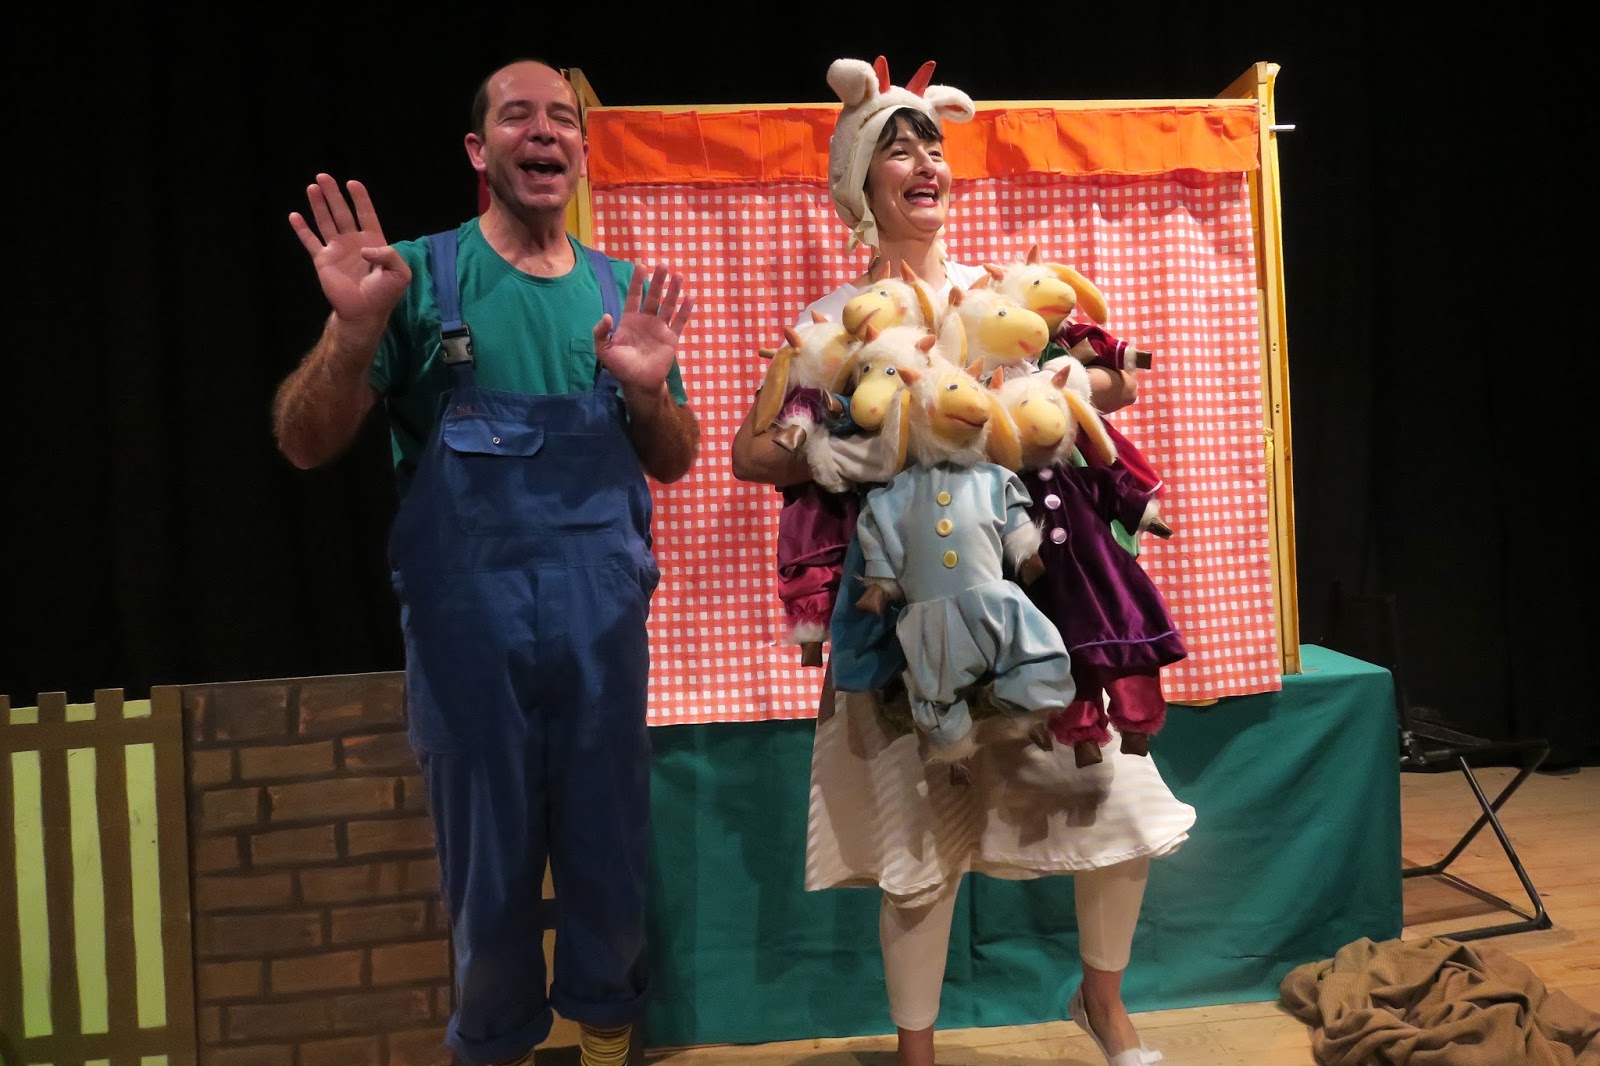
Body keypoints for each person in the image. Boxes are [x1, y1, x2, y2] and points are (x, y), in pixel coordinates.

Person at [730, 55, 1195, 1066]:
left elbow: (1110, 384)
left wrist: (1066, 383)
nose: (924, 163)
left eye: (932, 147)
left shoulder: (1000, 294)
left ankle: (1103, 1003)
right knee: (917, 839)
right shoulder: (832, 324)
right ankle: (918, 1053)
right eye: (897, 150)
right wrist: (850, 446)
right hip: (902, 608)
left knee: (1114, 799)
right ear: (861, 181)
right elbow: (751, 453)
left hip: (1032, 596)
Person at [272, 59, 699, 1066]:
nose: (543, 131)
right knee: (487, 879)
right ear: (479, 149)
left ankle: (606, 1046)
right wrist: (352, 332)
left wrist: (647, 392)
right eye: (517, 117)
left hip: (601, 637)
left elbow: (674, 456)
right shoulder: (418, 278)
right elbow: (302, 439)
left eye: (562, 119)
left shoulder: (617, 292)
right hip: (470, 642)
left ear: (581, 153)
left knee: (610, 863)